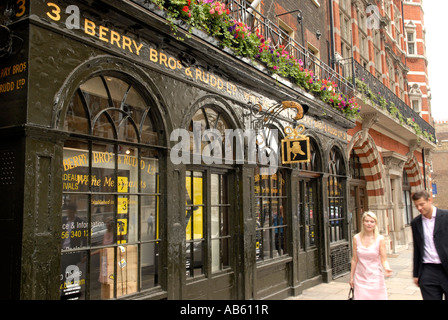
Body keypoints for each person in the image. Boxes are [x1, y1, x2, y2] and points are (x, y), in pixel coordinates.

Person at [411, 190, 448, 300]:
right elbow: (417, 249)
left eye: (422, 204)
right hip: (428, 271)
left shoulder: (446, 217)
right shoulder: (415, 223)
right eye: (416, 206)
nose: (419, 208)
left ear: (430, 200)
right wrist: (416, 274)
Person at [349, 211, 392, 300]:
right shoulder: (356, 238)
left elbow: (384, 259)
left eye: (372, 221)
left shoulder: (380, 239)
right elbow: (354, 259)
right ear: (363, 222)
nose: (369, 224)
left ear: (375, 223)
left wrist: (387, 268)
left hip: (376, 278)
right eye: (367, 221)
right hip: (360, 278)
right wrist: (351, 278)